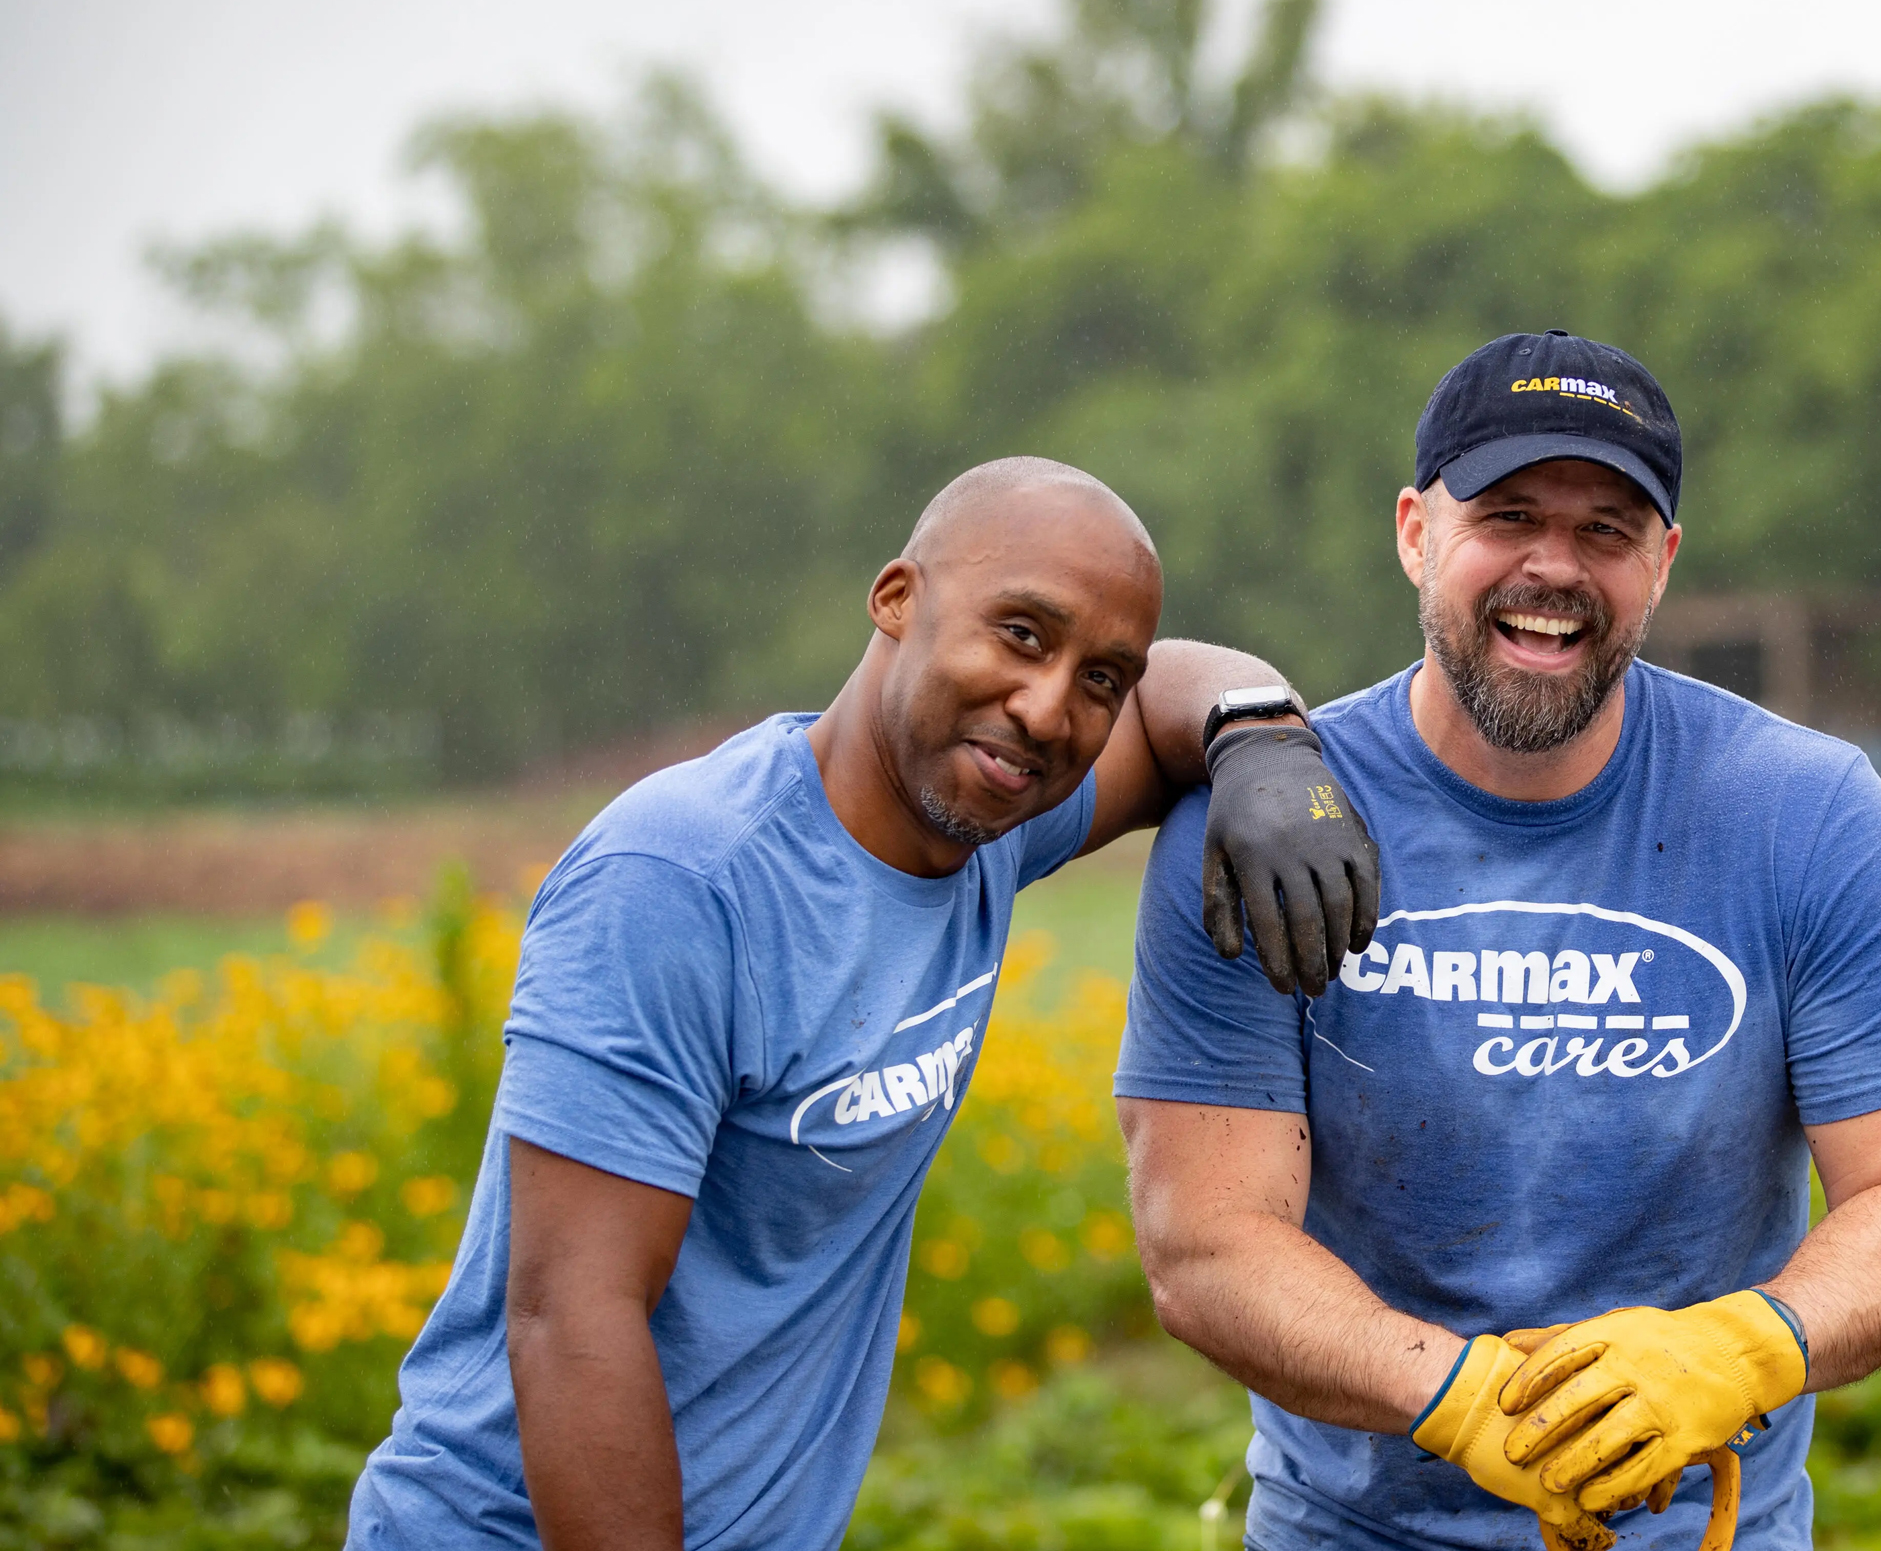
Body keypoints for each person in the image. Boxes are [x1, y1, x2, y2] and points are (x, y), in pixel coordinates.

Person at [344, 457, 1379, 1551]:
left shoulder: (990, 821)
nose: (1046, 707)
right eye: (1021, 633)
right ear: (896, 599)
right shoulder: (684, 881)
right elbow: (570, 1319)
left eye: (1095, 681)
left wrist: (1259, 736)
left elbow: (1174, 676)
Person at [1117, 334, 1881, 1550]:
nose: (1553, 567)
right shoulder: (1266, 829)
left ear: (1664, 561)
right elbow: (1206, 1246)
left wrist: (1743, 1346)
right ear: (1414, 532)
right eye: (1508, 514)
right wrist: (1457, 1394)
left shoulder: (1805, 814)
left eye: (1606, 529)